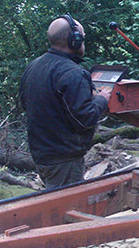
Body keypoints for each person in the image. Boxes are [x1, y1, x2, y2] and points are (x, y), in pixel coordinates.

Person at [19, 14, 111, 189]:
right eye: (82, 38)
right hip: (63, 159)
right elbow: (84, 119)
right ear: (74, 41)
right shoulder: (72, 73)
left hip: (42, 154)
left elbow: (26, 104)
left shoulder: (35, 65)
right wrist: (101, 99)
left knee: (55, 202)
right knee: (66, 210)